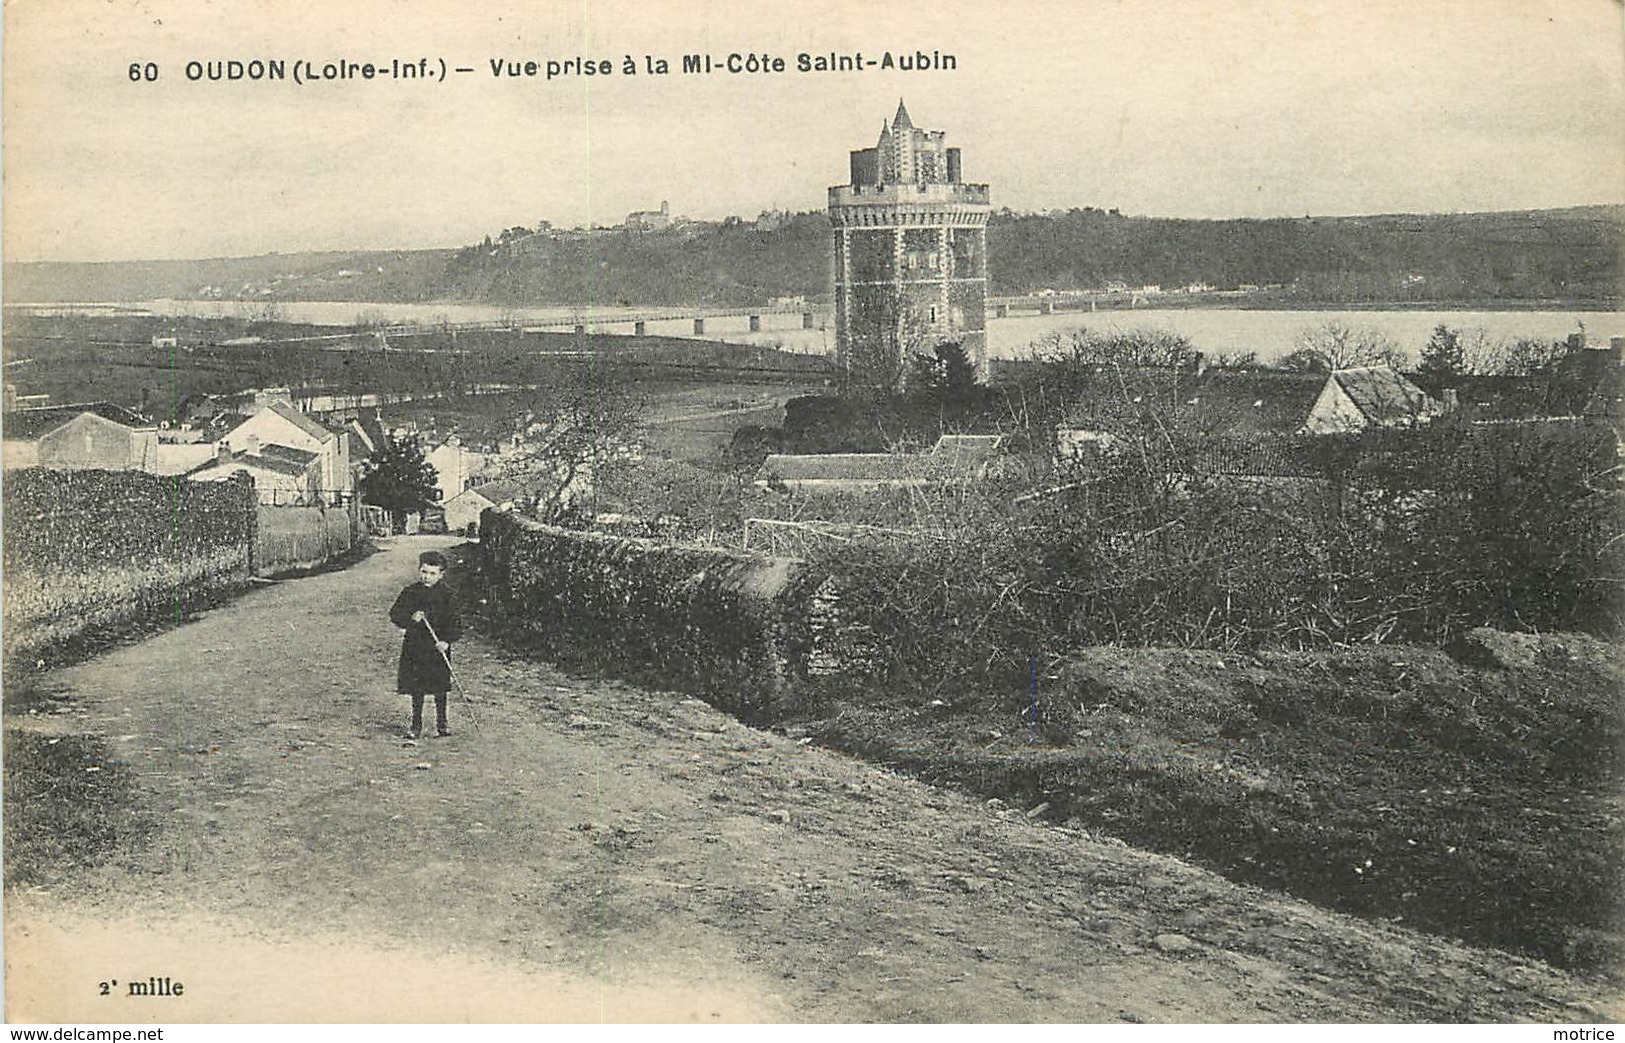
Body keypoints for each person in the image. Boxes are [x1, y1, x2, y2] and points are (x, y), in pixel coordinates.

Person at [388, 550, 462, 738]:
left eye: (432, 573)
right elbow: (395, 614)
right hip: (416, 646)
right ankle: (416, 724)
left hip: (437, 648)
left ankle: (442, 723)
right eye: (424, 572)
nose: (426, 577)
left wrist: (446, 641)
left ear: (441, 574)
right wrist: (411, 617)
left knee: (440, 686)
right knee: (417, 687)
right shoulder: (411, 592)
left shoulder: (448, 595)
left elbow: (455, 623)